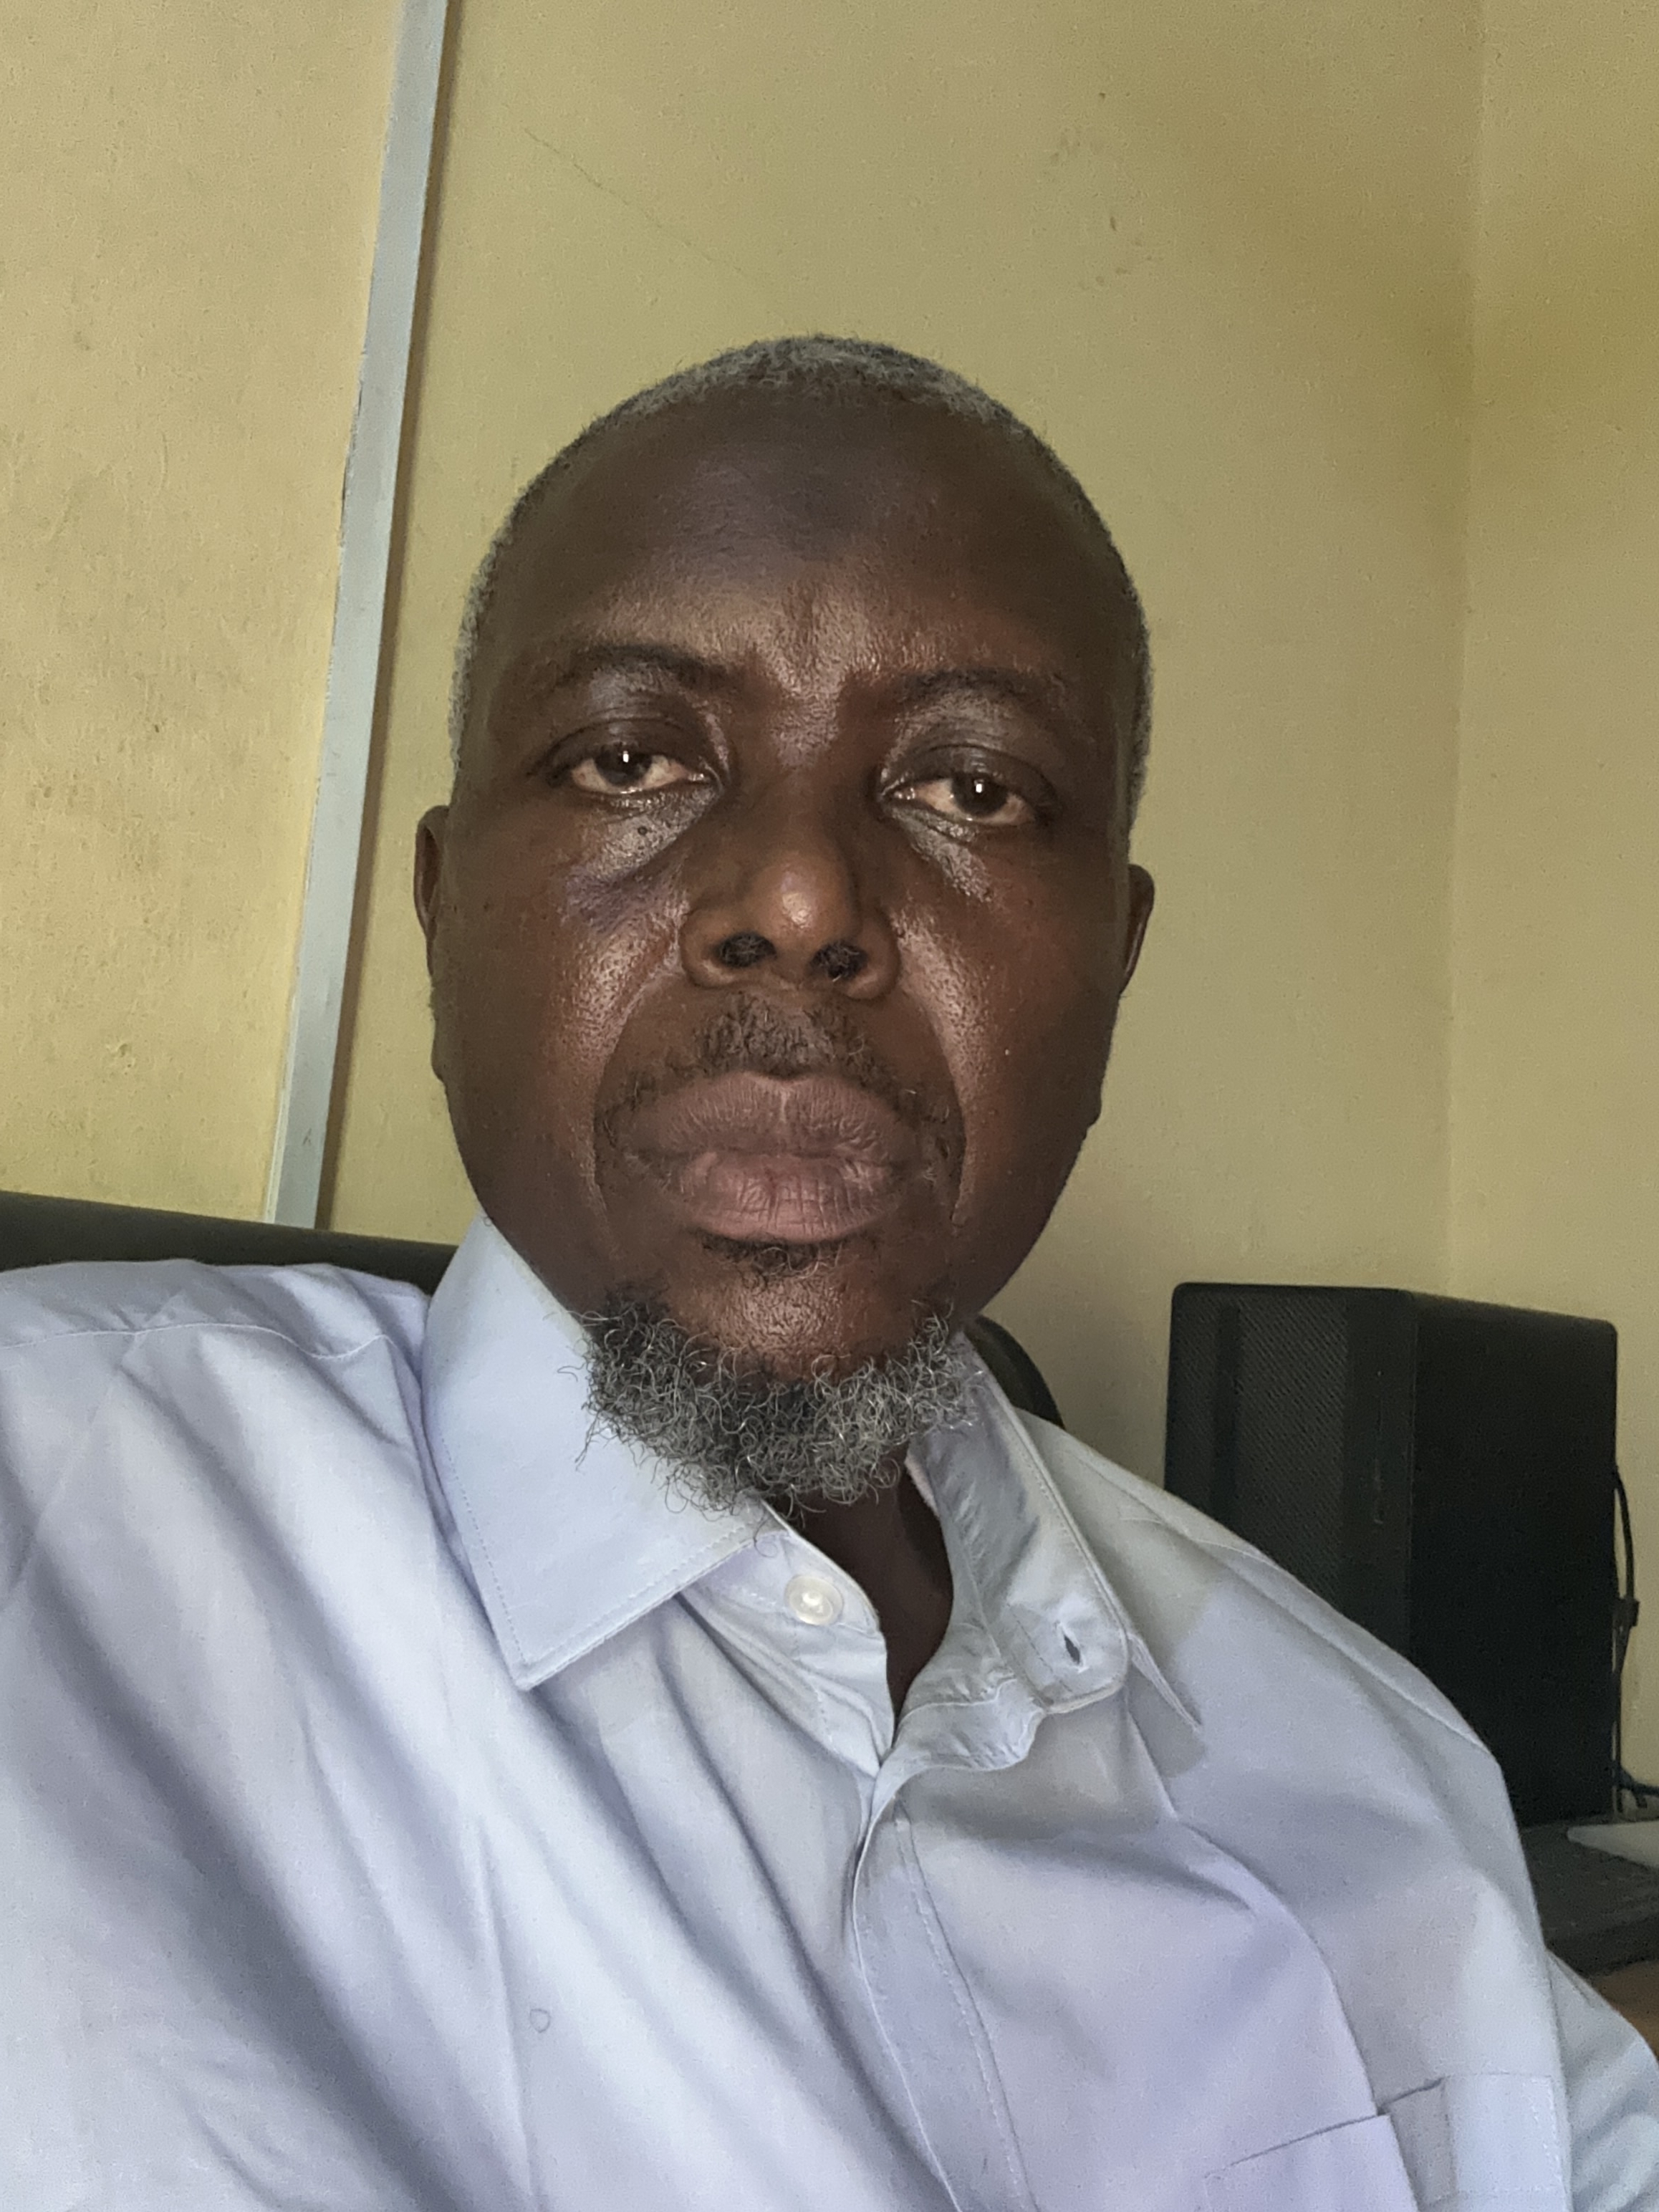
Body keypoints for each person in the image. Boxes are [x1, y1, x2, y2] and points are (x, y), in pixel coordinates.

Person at [3, 336, 1655, 2212]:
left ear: (1110, 968)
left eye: (972, 790)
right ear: (443, 910)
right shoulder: (54, 1526)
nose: (796, 902)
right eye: (629, 758)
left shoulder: (1362, 1766)